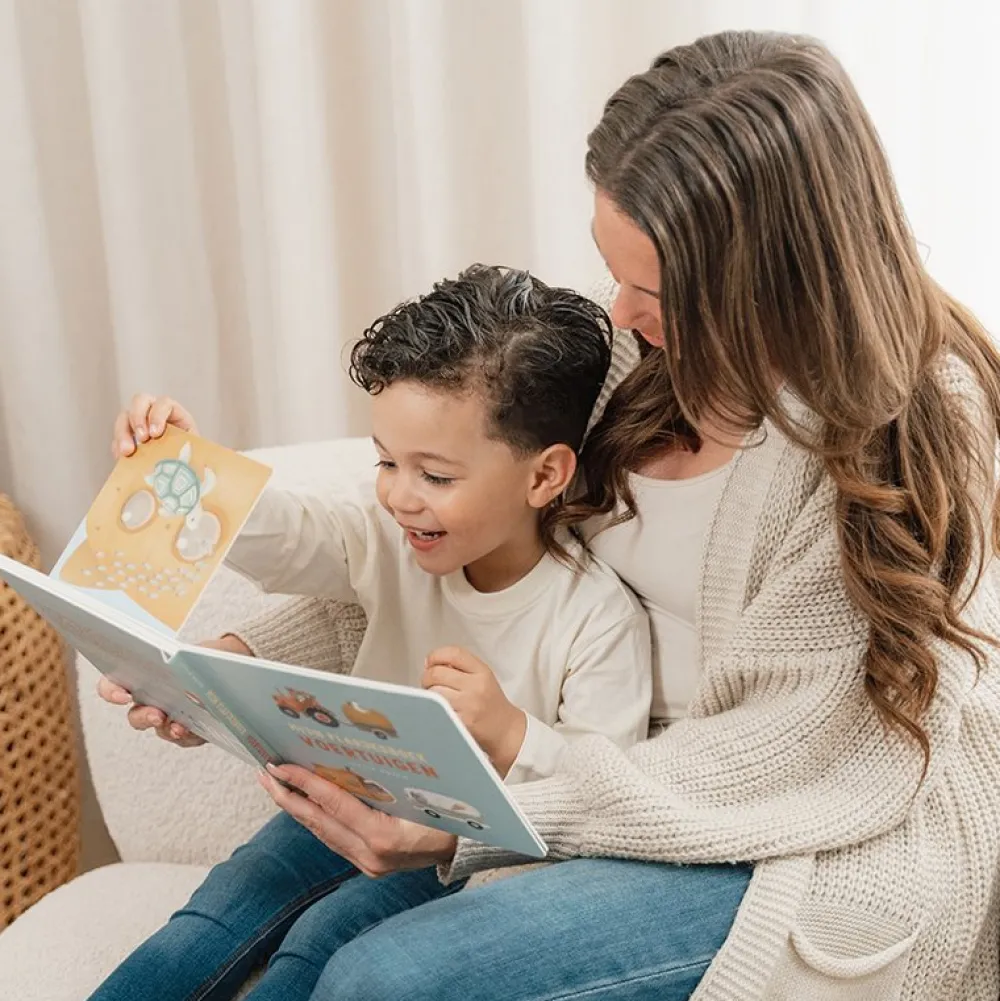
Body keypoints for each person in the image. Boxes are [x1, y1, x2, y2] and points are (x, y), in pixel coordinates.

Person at [98, 29, 1000, 1001]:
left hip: (797, 832)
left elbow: (792, 754)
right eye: (613, 269)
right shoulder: (622, 361)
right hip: (569, 769)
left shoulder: (905, 431)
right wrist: (231, 673)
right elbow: (449, 551)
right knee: (282, 925)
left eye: (653, 290)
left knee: (387, 975)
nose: (618, 309)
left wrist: (487, 817)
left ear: (767, 274)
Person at [90, 265, 652, 1001]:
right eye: (386, 460)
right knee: (211, 919)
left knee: (320, 945)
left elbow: (606, 789)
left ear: (544, 476)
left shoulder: (595, 614)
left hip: (456, 855)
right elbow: (294, 536)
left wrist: (511, 731)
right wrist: (195, 475)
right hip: (342, 795)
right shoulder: (389, 536)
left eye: (436, 476)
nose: (398, 494)